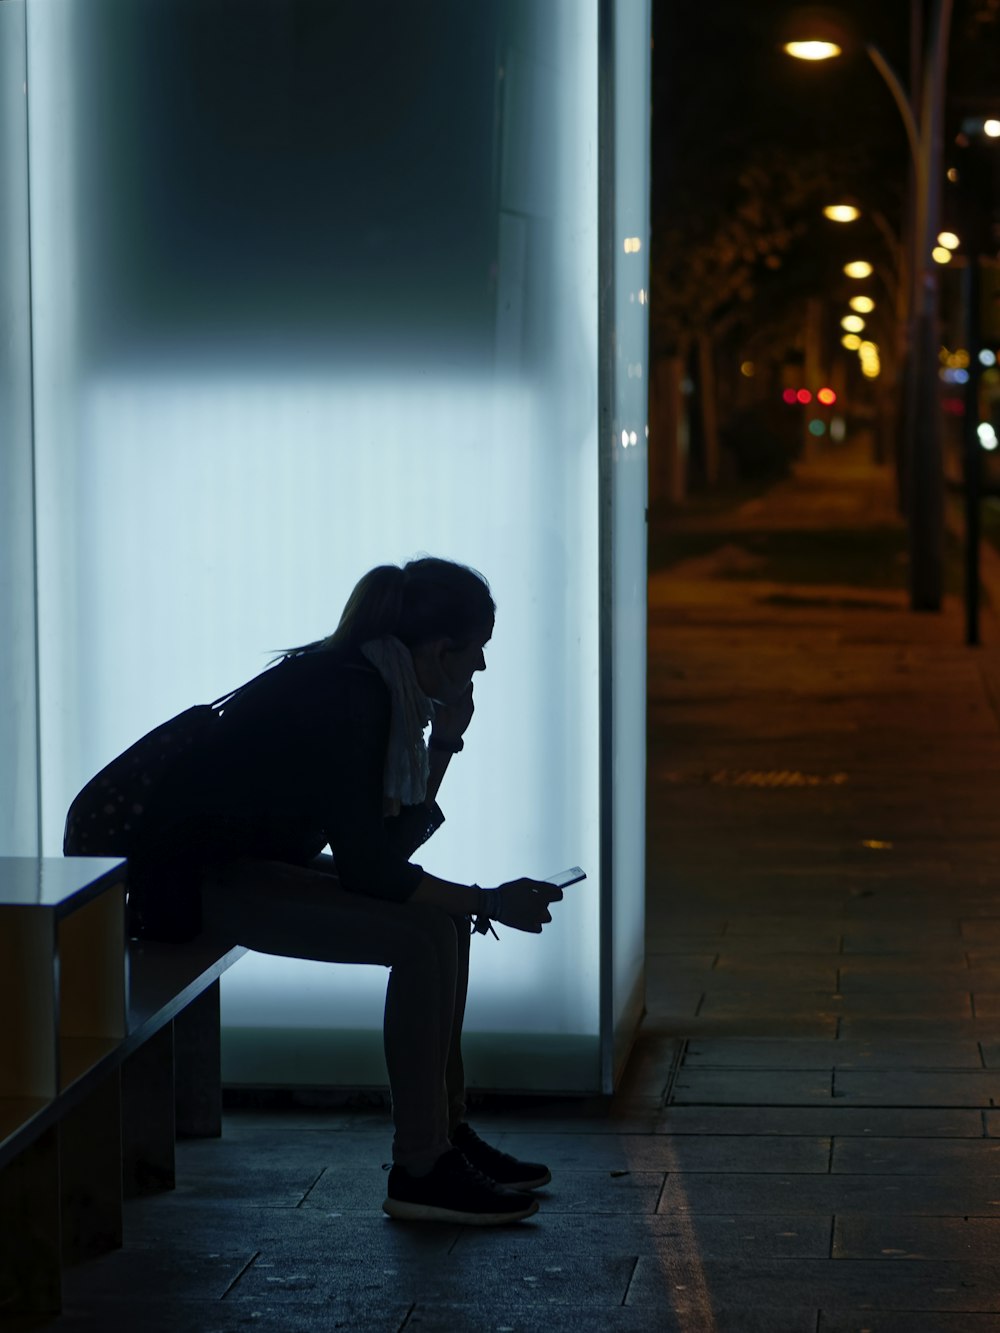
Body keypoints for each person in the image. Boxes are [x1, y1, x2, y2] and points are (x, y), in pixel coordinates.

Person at [67, 557, 564, 1225]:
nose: (479, 671)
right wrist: (492, 901)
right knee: (423, 938)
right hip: (184, 887)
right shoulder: (351, 697)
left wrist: (446, 743)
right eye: (477, 654)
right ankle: (422, 1166)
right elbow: (375, 873)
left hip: (239, 867)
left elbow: (382, 856)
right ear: (442, 650)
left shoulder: (368, 681)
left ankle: (441, 1135)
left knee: (439, 925)